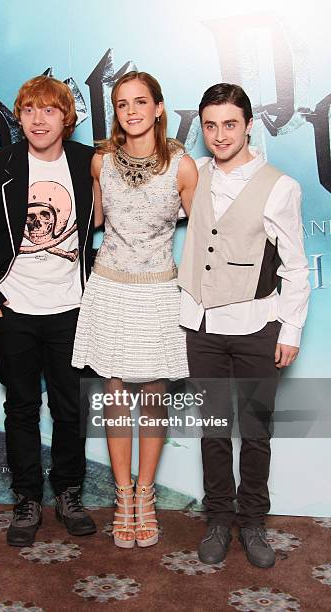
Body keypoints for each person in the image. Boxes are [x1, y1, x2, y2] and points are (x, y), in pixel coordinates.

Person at [0, 75, 97, 547]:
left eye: (49, 110)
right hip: (14, 309)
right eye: (29, 110)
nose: (38, 119)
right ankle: (27, 498)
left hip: (73, 307)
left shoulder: (87, 162)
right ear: (19, 117)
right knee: (22, 407)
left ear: (66, 118)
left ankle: (69, 493)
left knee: (72, 408)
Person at [178, 83, 310, 568]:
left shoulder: (280, 186)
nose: (219, 134)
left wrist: (291, 331)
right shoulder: (191, 177)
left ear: (249, 124)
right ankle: (218, 518)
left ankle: (253, 522)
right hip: (201, 327)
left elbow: (296, 268)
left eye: (229, 124)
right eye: (210, 125)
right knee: (213, 429)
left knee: (255, 431)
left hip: (258, 326)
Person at [72, 71, 198, 548]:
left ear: (160, 107)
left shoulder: (183, 167)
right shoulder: (100, 161)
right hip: (110, 288)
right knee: (117, 399)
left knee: (154, 400)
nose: (132, 111)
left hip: (158, 291)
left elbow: (204, 235)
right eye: (122, 104)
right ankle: (123, 496)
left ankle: (146, 495)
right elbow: (95, 222)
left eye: (141, 102)